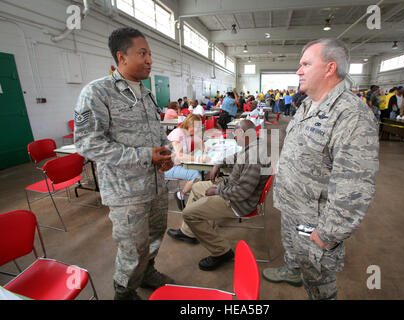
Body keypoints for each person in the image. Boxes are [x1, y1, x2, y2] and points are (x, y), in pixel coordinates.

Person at [262, 38, 379, 300]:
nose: (298, 70)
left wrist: (328, 234)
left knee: (319, 285)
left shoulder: (351, 115)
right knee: (296, 257)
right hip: (293, 208)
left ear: (330, 68)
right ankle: (292, 270)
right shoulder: (307, 104)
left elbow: (355, 185)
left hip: (315, 221)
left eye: (306, 64)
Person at [74, 27, 175, 300]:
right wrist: (146, 156)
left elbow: (158, 135)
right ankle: (125, 289)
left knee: (155, 235)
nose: (149, 60)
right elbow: (88, 144)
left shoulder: (145, 93)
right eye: (142, 53)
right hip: (126, 192)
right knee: (133, 246)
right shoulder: (98, 93)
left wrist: (166, 155)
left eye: (150, 54)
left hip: (155, 186)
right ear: (121, 57)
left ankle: (147, 272)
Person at [167, 120, 271, 270]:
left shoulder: (254, 157)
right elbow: (236, 158)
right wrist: (219, 164)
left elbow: (243, 192)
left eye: (236, 135)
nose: (234, 138)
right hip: (230, 190)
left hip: (237, 202)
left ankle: (221, 251)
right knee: (197, 187)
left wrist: (217, 191)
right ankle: (188, 232)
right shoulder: (252, 146)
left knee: (188, 214)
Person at [165, 114, 209, 210]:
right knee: (197, 175)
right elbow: (180, 156)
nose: (197, 130)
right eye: (194, 127)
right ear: (188, 124)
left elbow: (200, 142)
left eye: (198, 127)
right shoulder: (178, 133)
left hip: (180, 164)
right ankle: (181, 194)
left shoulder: (189, 134)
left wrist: (204, 151)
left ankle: (197, 193)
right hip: (168, 166)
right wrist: (199, 159)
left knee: (205, 170)